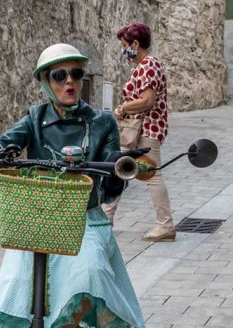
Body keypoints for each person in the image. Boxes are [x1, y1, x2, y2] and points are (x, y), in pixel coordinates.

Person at [0, 44, 145, 328]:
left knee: (91, 272)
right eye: (59, 75)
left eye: (76, 74)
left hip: (85, 217)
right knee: (23, 281)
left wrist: (115, 174)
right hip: (39, 216)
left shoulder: (102, 122)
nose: (69, 82)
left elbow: (112, 180)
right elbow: (11, 140)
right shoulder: (35, 118)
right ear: (46, 82)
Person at [103, 22, 175, 242]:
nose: (123, 50)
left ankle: (165, 225)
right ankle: (106, 219)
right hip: (139, 129)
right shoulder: (145, 65)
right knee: (118, 168)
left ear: (135, 44)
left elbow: (147, 100)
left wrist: (123, 108)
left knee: (152, 175)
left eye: (125, 45)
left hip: (146, 129)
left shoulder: (148, 65)